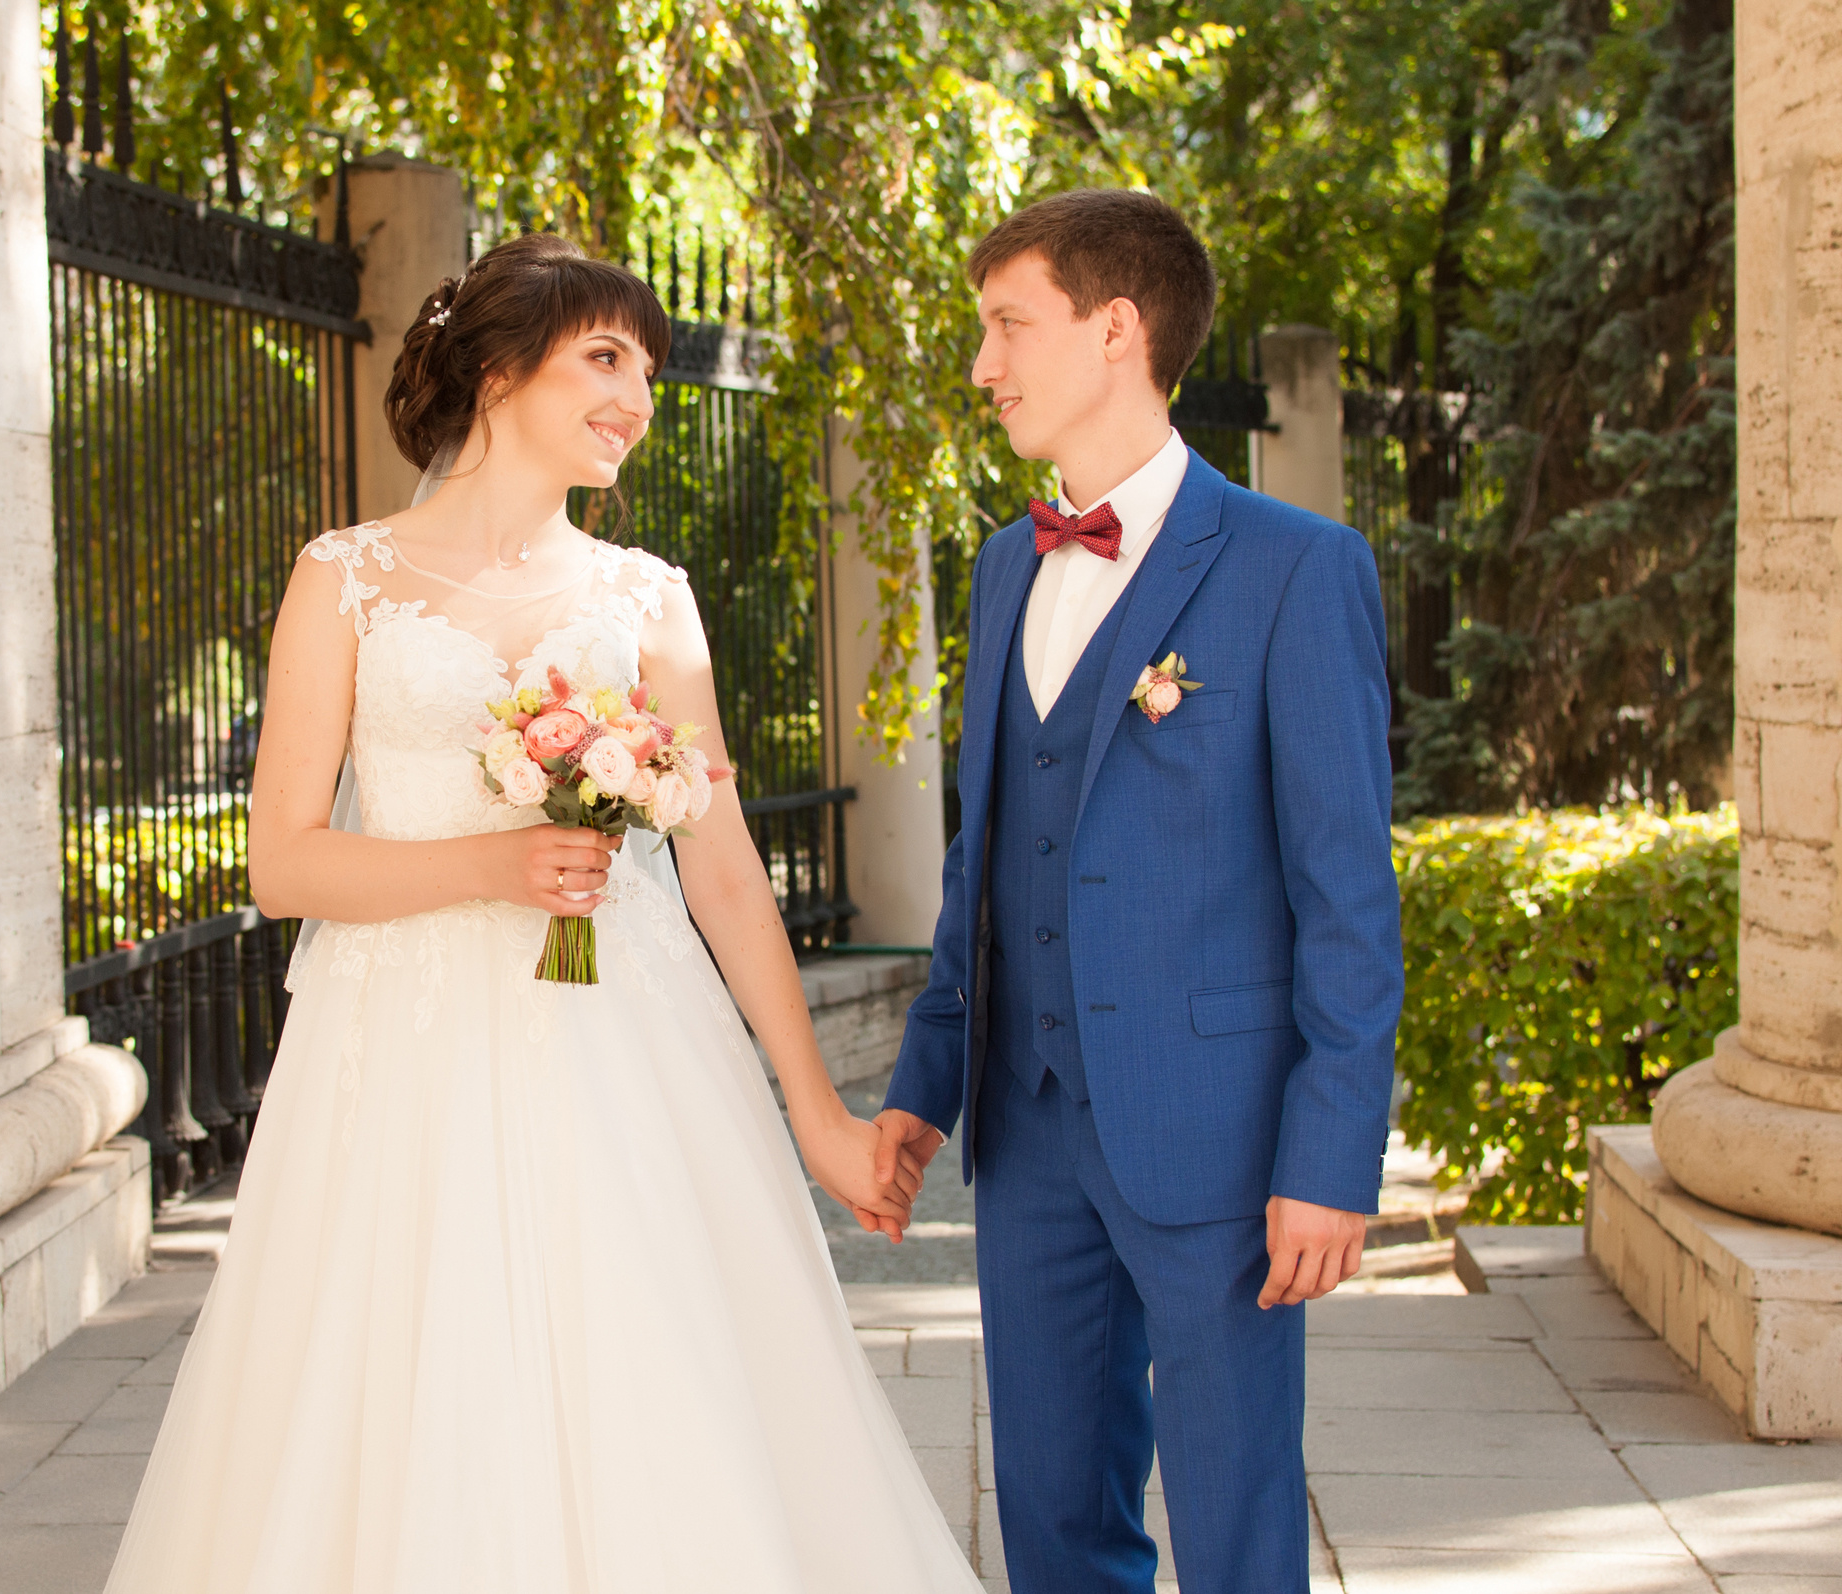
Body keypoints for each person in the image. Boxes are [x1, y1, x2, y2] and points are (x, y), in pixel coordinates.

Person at [100, 232, 983, 1593]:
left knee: (650, 1374)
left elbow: (725, 868)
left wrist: (816, 1110)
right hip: (397, 1060)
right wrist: (492, 869)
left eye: (650, 370)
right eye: (606, 358)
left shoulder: (648, 601)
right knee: (403, 1395)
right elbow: (284, 862)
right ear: (501, 368)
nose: (637, 397)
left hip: (620, 1051)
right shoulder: (345, 578)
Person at [868, 191, 1402, 1593]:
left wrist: (1331, 1156)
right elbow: (984, 854)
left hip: (1217, 1139)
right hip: (1027, 1131)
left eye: (1007, 326)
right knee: (1051, 1513)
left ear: (1118, 329)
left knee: (1234, 1521)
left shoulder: (1299, 570)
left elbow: (1346, 893)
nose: (984, 364)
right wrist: (927, 1083)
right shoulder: (1001, 566)